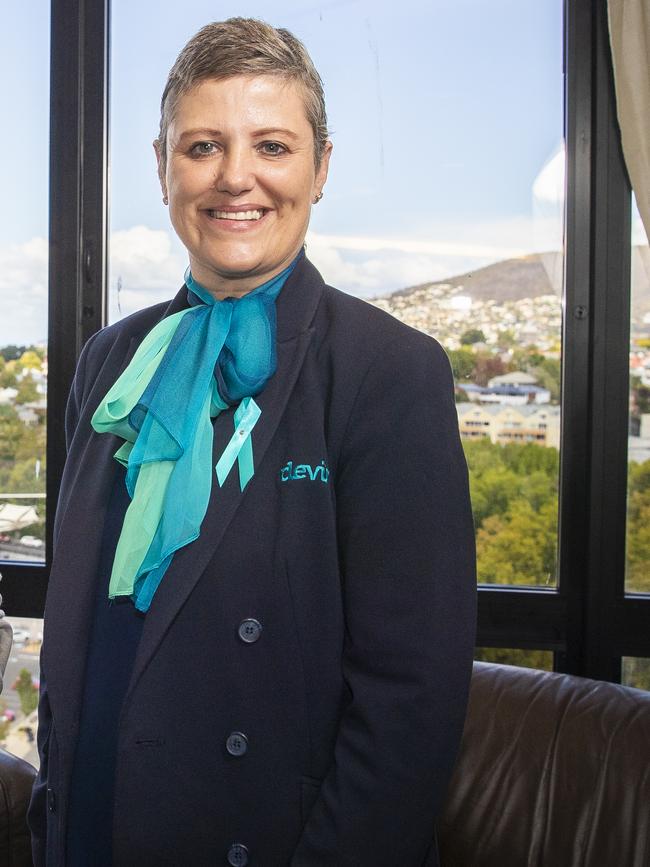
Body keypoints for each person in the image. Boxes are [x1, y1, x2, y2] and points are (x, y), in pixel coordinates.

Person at [28, 17, 476, 867]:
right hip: (94, 827)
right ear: (162, 165)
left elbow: (408, 708)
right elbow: (81, 615)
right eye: (202, 146)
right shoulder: (110, 360)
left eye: (272, 145)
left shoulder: (390, 373)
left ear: (321, 166)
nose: (236, 178)